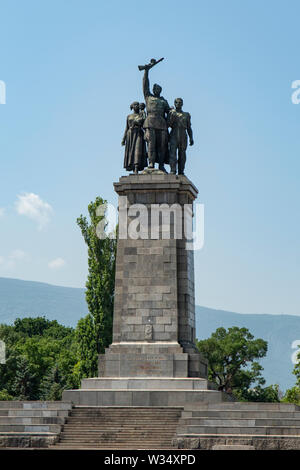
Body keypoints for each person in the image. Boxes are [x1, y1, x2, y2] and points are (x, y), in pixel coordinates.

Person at [142, 65, 170, 172]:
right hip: (150, 123)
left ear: (160, 91)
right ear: (153, 90)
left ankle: (161, 165)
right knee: (151, 145)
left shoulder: (163, 101)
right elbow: (145, 85)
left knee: (162, 147)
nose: (156, 90)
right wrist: (146, 72)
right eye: (155, 89)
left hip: (162, 125)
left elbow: (169, 112)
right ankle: (151, 163)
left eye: (158, 89)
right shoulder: (148, 97)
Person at [168, 98, 194, 175]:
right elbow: (168, 124)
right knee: (172, 153)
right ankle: (173, 170)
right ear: (175, 104)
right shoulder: (172, 113)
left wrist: (191, 137)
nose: (178, 104)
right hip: (174, 133)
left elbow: (189, 127)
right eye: (177, 102)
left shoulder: (186, 115)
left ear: (182, 104)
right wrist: (171, 116)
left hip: (183, 134)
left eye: (180, 102)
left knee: (182, 154)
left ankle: (181, 171)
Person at [122, 101, 147, 174]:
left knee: (138, 149)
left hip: (139, 133)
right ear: (132, 106)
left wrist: (143, 112)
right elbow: (126, 128)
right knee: (131, 152)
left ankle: (136, 167)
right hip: (130, 134)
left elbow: (144, 122)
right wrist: (124, 139)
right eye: (135, 105)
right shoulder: (129, 116)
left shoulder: (141, 114)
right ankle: (133, 167)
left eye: (137, 105)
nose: (136, 106)